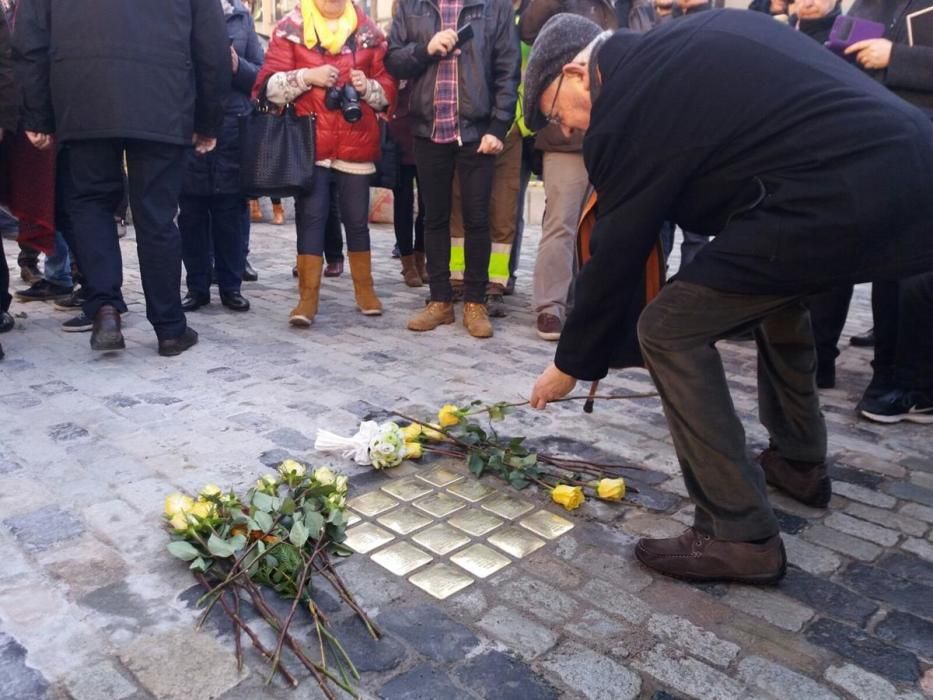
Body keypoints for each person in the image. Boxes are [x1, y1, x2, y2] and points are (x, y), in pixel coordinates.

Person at [526, 11, 933, 583]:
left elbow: (618, 241)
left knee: (668, 327)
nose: (567, 131)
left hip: (837, 187)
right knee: (774, 297)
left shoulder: (629, 94)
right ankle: (797, 462)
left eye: (554, 113)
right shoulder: (674, 51)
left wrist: (569, 363)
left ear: (575, 71)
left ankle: (737, 532)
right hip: (900, 163)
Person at [13, 0, 230, 356]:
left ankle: (105, 309)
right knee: (157, 215)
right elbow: (212, 43)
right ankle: (170, 327)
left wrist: (38, 114)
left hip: (82, 94)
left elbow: (30, 38)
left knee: (89, 203)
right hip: (162, 96)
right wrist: (208, 119)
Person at [255, 0, 396, 327]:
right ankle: (307, 298)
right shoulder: (291, 29)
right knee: (312, 219)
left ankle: (366, 290)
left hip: (356, 139)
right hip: (309, 143)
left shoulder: (369, 33)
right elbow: (267, 88)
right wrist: (307, 76)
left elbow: (389, 92)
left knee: (357, 221)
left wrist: (367, 87)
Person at [387, 0, 521, 338]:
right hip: (428, 128)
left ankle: (475, 302)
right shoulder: (412, 6)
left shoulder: (495, 7)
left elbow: (508, 68)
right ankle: (440, 301)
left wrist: (498, 126)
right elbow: (393, 60)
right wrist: (425, 49)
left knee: (478, 219)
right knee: (434, 217)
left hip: (476, 131)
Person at [844, 0, 933, 419]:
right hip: (885, 139)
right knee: (889, 264)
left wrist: (897, 57)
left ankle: (917, 383)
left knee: (921, 273)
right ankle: (888, 372)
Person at [521, 0, 621, 342]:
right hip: (566, 143)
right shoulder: (559, 9)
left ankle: (587, 300)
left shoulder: (617, 8)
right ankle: (550, 305)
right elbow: (528, 28)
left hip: (608, 133)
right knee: (561, 221)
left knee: (601, 224)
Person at [179, 0, 263, 315]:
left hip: (232, 127)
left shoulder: (241, 17)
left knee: (230, 209)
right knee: (191, 210)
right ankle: (197, 287)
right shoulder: (181, 10)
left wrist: (237, 66)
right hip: (190, 124)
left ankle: (231, 286)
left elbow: (260, 74)